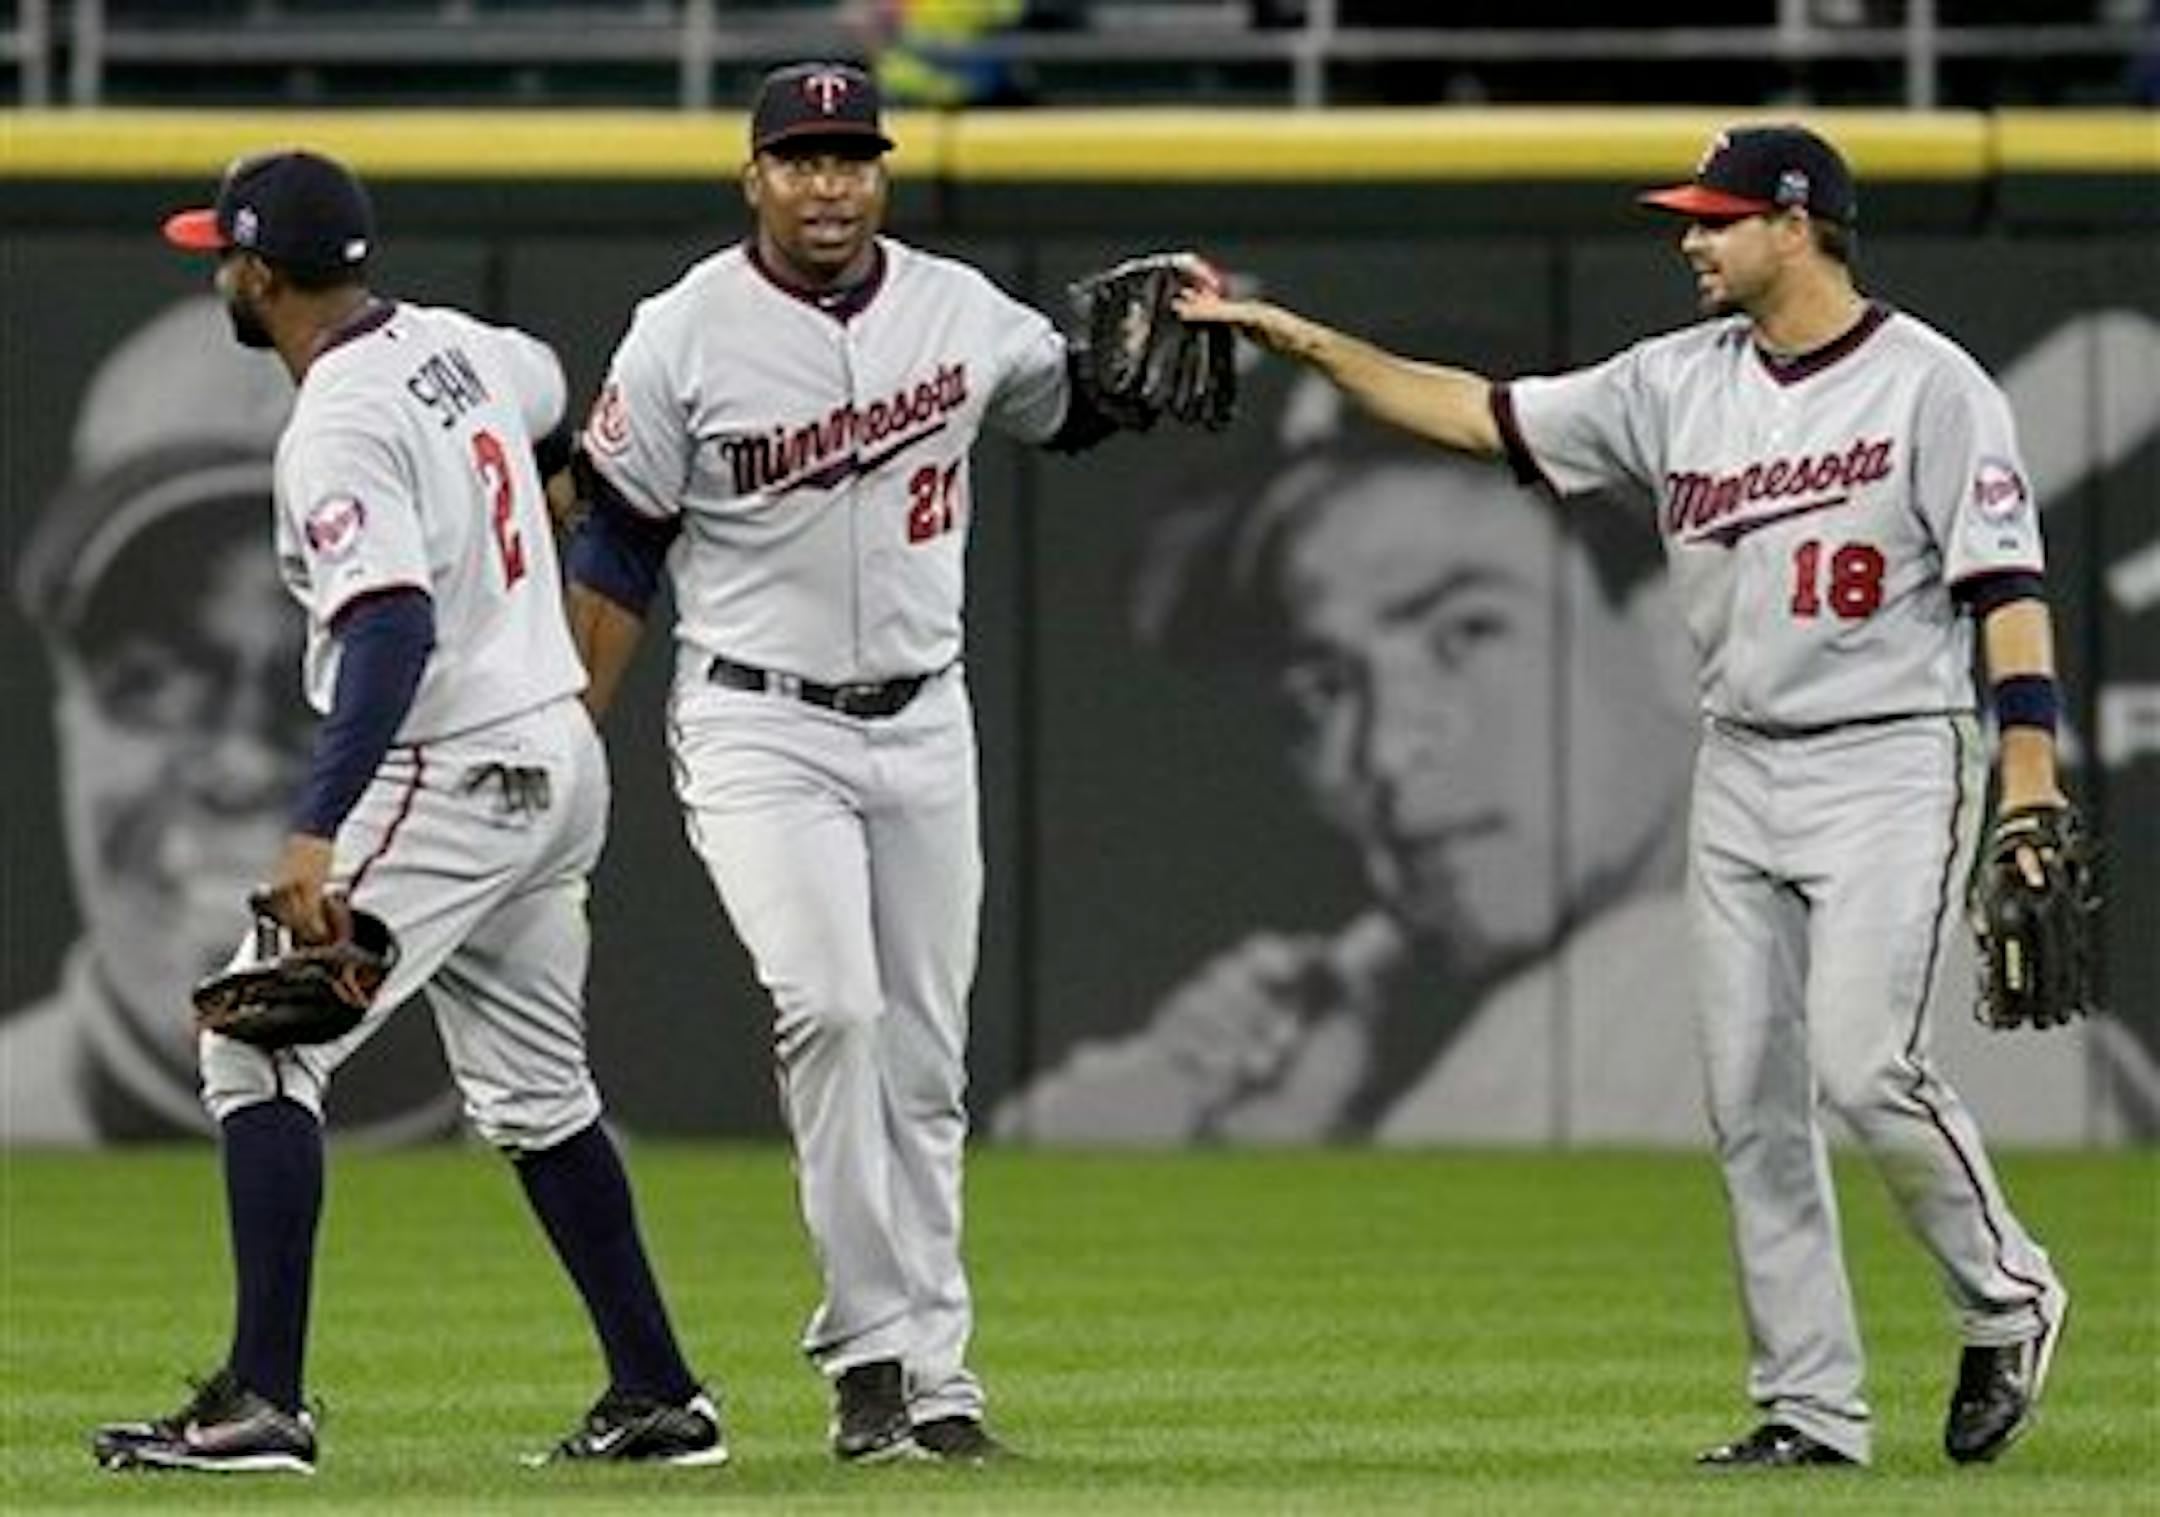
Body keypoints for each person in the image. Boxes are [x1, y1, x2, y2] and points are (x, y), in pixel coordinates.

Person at [1177, 124, 2073, 1469]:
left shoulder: (1932, 386)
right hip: (1740, 760)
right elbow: (1471, 413)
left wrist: (2030, 785)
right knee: (1753, 1106)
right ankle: (1811, 1411)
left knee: (1866, 1067)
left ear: (1795, 223)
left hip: (1890, 754)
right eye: (1690, 219)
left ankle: (2009, 1294)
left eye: (1716, 220)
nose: (1691, 240)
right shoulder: (1671, 383)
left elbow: (2006, 591)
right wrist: (1297, 341)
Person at [563, 61, 1210, 1464]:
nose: (829, 183)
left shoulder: (959, 308)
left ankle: (940, 1376)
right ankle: (868, 1361)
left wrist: (1147, 367)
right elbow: (615, 545)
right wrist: (568, 740)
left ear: (882, 173)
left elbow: (1075, 401)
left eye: (852, 156)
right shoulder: (681, 333)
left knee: (923, 1059)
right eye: (800, 159)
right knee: (832, 1007)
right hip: (758, 720)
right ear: (754, 178)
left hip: (925, 718)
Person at [92, 148, 725, 1475]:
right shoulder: (454, 343)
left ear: (259, 274)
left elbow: (387, 626)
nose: (221, 269)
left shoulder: (337, 421)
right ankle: (659, 1396)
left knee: (253, 1042)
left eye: (226, 252)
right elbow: (558, 393)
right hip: (557, 753)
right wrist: (543, 486)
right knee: (540, 1098)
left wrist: (319, 829)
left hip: (452, 766)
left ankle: (261, 1399)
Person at [997, 416, 1709, 1143]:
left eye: (1465, 632)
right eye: (1325, 689)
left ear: (1681, 633)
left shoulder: (1664, 984)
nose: (1385, 749)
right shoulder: (1426, 1019)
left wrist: (1217, 1141)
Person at [3, 297, 460, 1147]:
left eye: (320, 676)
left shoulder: (582, 1166)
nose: (242, 758)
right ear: (67, 706)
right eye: (158, 679)